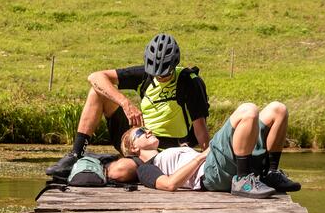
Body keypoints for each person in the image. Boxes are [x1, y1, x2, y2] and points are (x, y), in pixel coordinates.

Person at [46, 33, 209, 178]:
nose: (160, 77)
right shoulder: (145, 75)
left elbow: (200, 128)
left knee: (121, 171)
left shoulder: (190, 82)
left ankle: (106, 162)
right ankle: (76, 155)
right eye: (156, 73)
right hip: (137, 138)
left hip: (166, 150)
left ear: (174, 65)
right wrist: (125, 103)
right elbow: (95, 77)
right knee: (97, 92)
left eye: (164, 73)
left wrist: (207, 160)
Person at [113, 101, 301, 198]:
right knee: (247, 110)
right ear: (133, 147)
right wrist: (200, 157)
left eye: (147, 128)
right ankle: (243, 180)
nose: (148, 131)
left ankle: (271, 173)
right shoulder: (145, 167)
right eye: (141, 132)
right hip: (211, 172)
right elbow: (169, 184)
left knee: (278, 110)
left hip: (218, 165)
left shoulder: (166, 154)